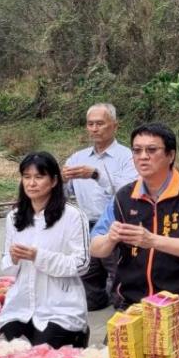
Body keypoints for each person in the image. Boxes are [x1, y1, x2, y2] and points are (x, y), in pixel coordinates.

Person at [90, 123, 179, 358]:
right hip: (133, 304)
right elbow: (96, 248)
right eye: (137, 151)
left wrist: (152, 241)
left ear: (170, 155)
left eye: (151, 150)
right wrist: (110, 238)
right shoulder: (124, 197)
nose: (143, 157)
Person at [0, 152, 91, 348]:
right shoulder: (14, 217)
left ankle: (78, 335)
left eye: (39, 177)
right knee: (6, 357)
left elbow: (81, 264)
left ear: (54, 181)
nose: (31, 183)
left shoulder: (73, 216)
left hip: (60, 309)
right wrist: (14, 259)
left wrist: (37, 256)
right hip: (21, 306)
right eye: (26, 177)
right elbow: (7, 267)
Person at [63, 103, 137, 311]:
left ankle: (122, 303)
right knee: (88, 288)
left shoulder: (128, 157)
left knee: (121, 284)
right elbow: (64, 193)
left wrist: (96, 174)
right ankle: (97, 296)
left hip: (117, 226)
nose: (94, 128)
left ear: (115, 126)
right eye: (90, 124)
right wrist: (58, 180)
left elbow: (128, 190)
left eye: (100, 123)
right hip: (85, 227)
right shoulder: (77, 158)